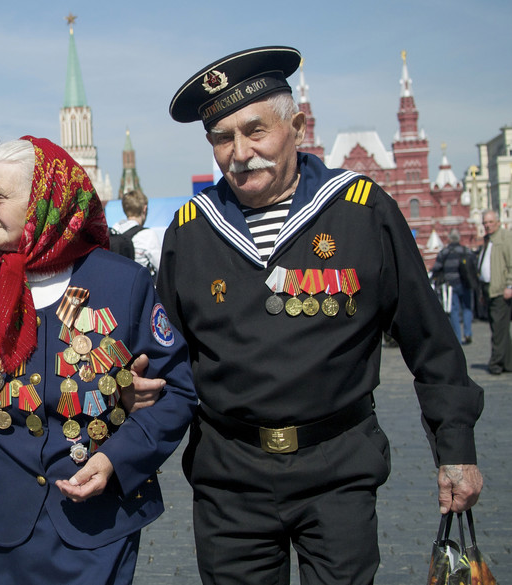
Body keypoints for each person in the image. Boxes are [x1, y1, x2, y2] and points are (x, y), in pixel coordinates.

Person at [157, 46, 484, 584]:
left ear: (298, 127)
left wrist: (456, 449)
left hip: (338, 472)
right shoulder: (191, 230)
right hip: (229, 480)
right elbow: (166, 356)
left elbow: (430, 338)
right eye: (221, 138)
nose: (240, 152)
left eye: (255, 130)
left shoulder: (360, 210)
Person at [0, 137, 197, 585]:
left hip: (96, 525)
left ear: (42, 202)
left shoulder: (122, 284)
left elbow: (177, 392)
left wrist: (117, 459)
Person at [477, 209, 512, 374]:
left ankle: (496, 363)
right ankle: (508, 362)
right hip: (488, 289)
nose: (487, 225)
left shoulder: (505, 238)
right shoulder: (487, 240)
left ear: (497, 222)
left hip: (500, 290)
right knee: (499, 328)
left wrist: (510, 286)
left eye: (490, 222)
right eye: (485, 222)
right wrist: (482, 292)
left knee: (498, 329)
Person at [431, 228, 476, 344]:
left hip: (451, 285)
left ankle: (457, 336)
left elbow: (436, 267)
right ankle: (468, 333)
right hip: (465, 283)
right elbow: (474, 264)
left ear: (450, 239)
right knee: (467, 308)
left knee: (454, 310)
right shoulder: (466, 251)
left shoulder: (445, 252)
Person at [111, 189, 161, 278]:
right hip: (140, 287)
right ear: (144, 209)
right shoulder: (148, 235)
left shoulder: (114, 231)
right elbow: (161, 266)